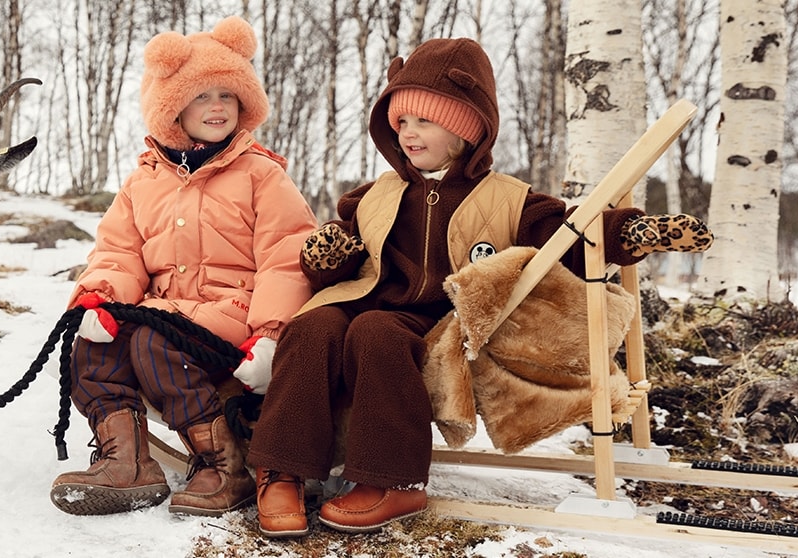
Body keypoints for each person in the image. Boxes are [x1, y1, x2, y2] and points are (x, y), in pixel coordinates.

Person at [240, 38, 713, 538]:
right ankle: (283, 468)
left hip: (440, 320)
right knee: (313, 327)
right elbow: (347, 254)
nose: (408, 133)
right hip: (365, 297)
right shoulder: (376, 194)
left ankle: (394, 481)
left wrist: (628, 233)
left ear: (467, 129)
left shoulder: (509, 200)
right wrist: (329, 258)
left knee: (377, 333)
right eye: (401, 122)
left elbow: (571, 238)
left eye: (425, 121)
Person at [48, 16, 318, 518]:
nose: (217, 106)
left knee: (156, 343)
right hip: (164, 308)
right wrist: (100, 297)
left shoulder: (261, 174)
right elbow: (118, 251)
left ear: (245, 105)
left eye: (228, 96)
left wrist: (272, 332)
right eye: (201, 96)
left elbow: (286, 256)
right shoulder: (143, 181)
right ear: (172, 108)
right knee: (93, 345)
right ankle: (126, 461)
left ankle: (223, 463)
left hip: (233, 312)